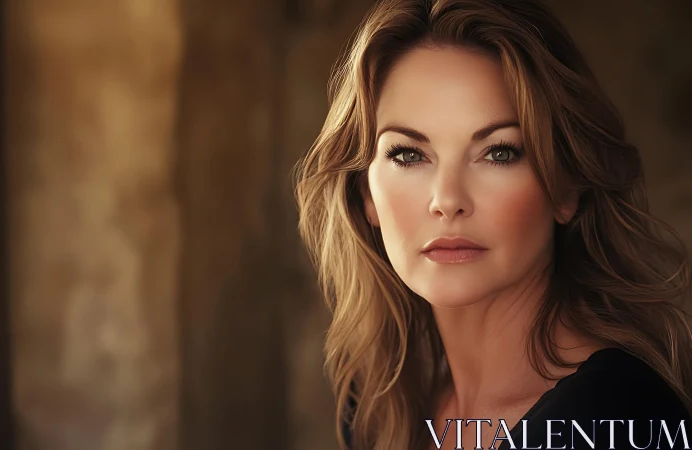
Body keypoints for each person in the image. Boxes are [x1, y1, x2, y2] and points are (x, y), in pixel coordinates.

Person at [292, 0, 692, 449]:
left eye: (499, 152)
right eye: (408, 154)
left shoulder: (614, 418)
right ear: (366, 194)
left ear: (565, 187)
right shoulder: (377, 409)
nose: (448, 201)